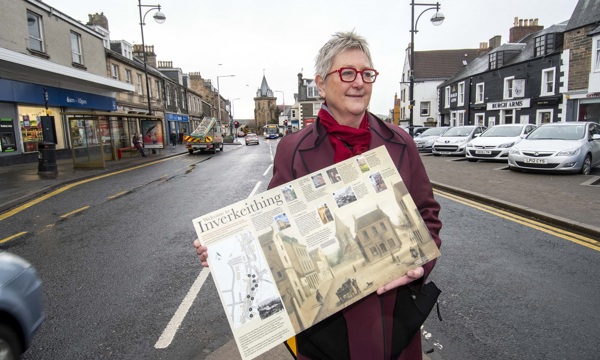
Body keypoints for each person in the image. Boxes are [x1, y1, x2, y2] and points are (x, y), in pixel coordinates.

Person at [194, 31, 442, 359]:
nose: (359, 83)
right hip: (328, 332)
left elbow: (427, 216)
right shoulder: (293, 150)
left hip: (393, 321)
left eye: (367, 74)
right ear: (322, 84)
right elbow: (274, 230)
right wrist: (226, 249)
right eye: (347, 73)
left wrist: (420, 266)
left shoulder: (400, 142)